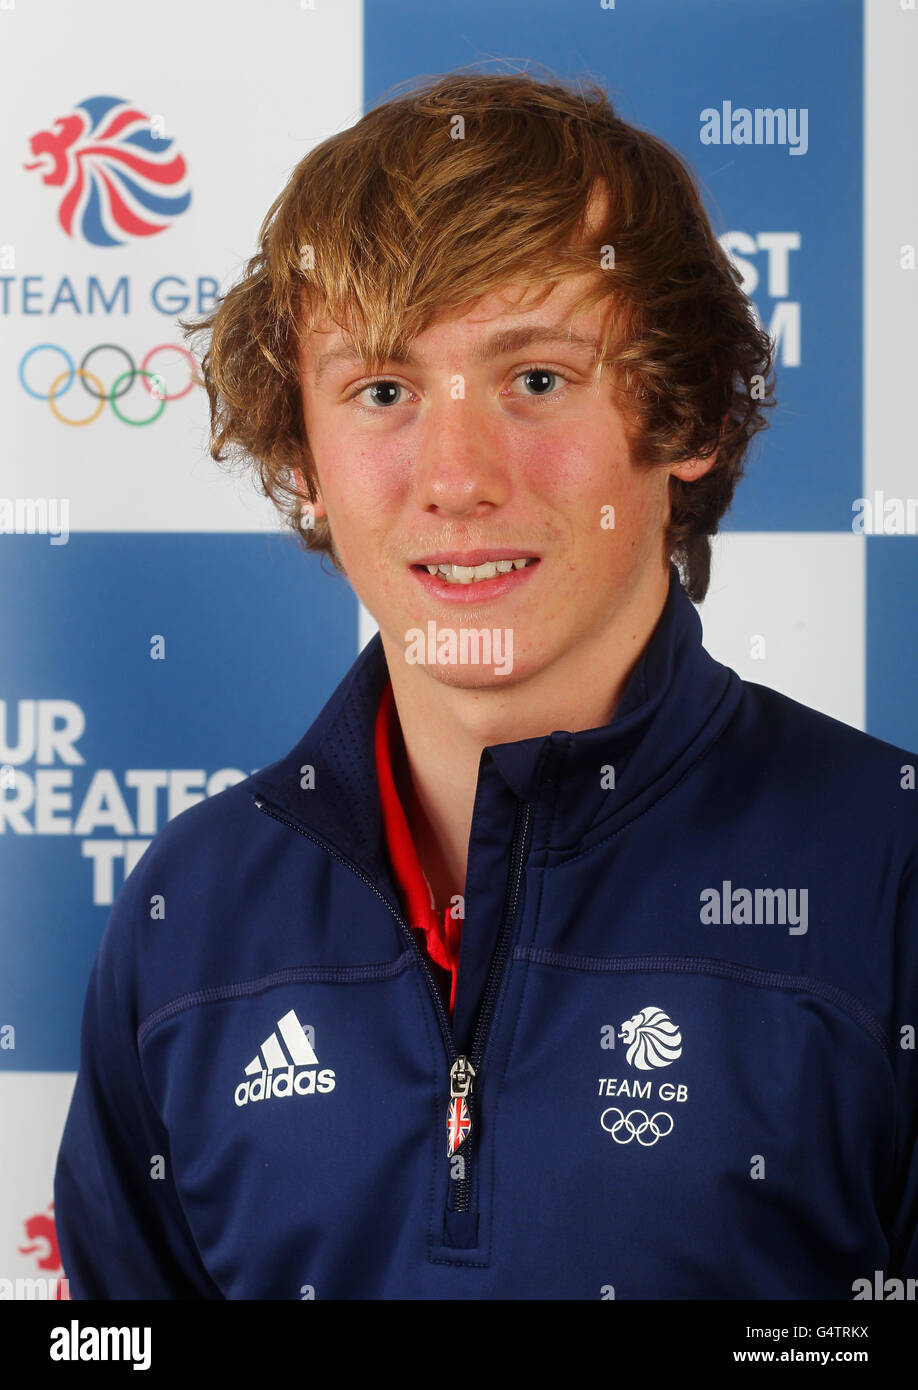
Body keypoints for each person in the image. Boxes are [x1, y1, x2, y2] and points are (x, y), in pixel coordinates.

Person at [54, 69, 918, 1300]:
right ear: (305, 453)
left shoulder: (891, 869)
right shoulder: (187, 913)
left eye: (538, 380)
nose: (456, 477)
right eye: (385, 392)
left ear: (685, 417)